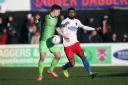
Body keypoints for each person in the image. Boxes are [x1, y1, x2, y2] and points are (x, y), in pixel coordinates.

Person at [56, 8, 96, 79]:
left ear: (75, 13)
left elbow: (84, 27)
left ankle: (90, 72)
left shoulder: (77, 21)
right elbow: (59, 29)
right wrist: (63, 26)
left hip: (75, 43)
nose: (72, 13)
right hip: (67, 45)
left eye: (73, 12)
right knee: (72, 64)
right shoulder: (64, 21)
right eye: (70, 12)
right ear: (68, 13)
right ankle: (64, 67)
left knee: (83, 56)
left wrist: (94, 29)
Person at [37, 4, 62, 81]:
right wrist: (36, 20)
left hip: (51, 40)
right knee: (42, 57)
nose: (59, 13)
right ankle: (40, 75)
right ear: (54, 10)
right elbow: (38, 22)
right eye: (58, 12)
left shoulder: (57, 19)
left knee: (58, 56)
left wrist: (63, 35)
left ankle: (50, 70)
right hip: (43, 40)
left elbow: (57, 28)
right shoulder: (45, 16)